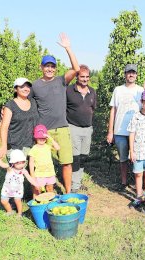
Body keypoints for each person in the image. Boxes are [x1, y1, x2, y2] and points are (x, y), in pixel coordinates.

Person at [29, 33, 80, 194]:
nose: (49, 69)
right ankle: (43, 193)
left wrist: (68, 48)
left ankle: (68, 192)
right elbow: (27, 104)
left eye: (52, 66)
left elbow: (77, 69)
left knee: (66, 162)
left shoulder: (61, 81)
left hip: (62, 128)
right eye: (46, 66)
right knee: (43, 164)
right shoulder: (35, 86)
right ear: (41, 67)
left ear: (55, 68)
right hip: (44, 131)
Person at [107, 64, 144, 190]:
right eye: (129, 72)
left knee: (136, 157)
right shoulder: (118, 90)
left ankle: (136, 181)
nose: (131, 75)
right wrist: (110, 131)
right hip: (120, 131)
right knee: (123, 158)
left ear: (136, 75)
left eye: (133, 72)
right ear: (125, 74)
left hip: (136, 131)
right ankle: (124, 182)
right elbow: (113, 110)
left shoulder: (141, 90)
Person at [66, 64, 97, 193]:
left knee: (84, 156)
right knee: (75, 157)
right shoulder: (69, 90)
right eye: (82, 76)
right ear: (77, 77)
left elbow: (92, 109)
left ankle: (77, 182)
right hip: (73, 127)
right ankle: (74, 186)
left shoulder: (92, 91)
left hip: (87, 128)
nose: (85, 79)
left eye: (87, 77)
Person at [0, 78, 39, 159]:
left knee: (31, 171)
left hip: (32, 145)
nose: (26, 89)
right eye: (22, 86)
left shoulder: (33, 102)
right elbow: (4, 127)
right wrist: (3, 146)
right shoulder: (10, 105)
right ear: (15, 89)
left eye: (27, 86)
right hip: (15, 147)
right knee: (18, 171)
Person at [0, 149, 37, 216]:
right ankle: (9, 211)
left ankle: (19, 213)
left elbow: (29, 178)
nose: (21, 165)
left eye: (23, 162)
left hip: (18, 189)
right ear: (12, 163)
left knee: (18, 201)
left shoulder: (23, 171)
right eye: (18, 163)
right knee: (3, 201)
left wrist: (36, 184)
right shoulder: (9, 167)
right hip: (7, 189)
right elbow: (2, 164)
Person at [28, 124, 61, 198]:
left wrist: (50, 138)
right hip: (39, 174)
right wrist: (32, 175)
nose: (42, 139)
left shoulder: (48, 146)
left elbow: (58, 148)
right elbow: (31, 163)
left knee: (50, 189)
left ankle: (50, 204)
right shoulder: (34, 149)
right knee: (37, 191)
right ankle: (36, 206)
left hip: (50, 173)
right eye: (39, 137)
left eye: (43, 138)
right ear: (35, 138)